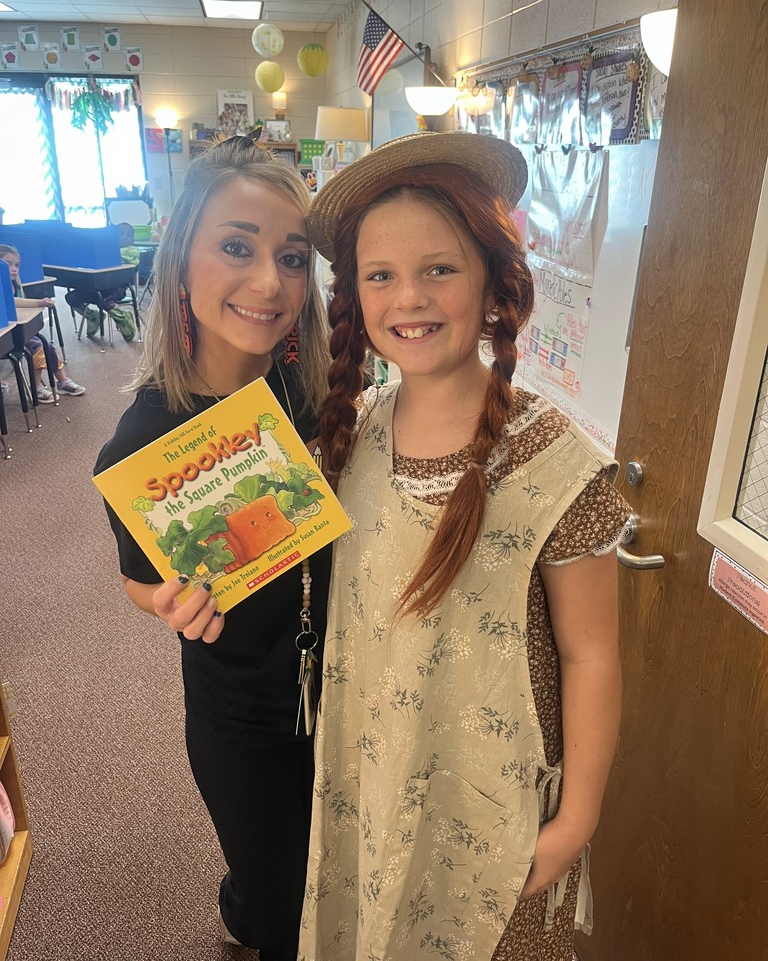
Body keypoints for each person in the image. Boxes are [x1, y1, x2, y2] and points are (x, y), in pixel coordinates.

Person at [299, 131, 632, 961]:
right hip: (376, 784)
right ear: (356, 298)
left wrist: (577, 820)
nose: (409, 297)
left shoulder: (554, 462)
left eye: (439, 269)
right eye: (381, 276)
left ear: (492, 283)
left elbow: (593, 656)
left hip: (496, 811)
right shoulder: (357, 432)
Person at [93, 136, 332, 959]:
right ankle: (253, 903)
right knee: (286, 909)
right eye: (237, 247)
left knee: (332, 864)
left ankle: (240, 895)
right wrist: (163, 600)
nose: (270, 283)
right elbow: (136, 577)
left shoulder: (308, 387)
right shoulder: (144, 440)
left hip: (345, 683)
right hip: (246, 711)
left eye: (292, 258)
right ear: (181, 263)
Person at [0, 244, 86, 401]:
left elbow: (13, 302)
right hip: (6, 336)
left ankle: (62, 381)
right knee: (38, 346)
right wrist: (37, 303)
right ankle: (39, 387)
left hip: (14, 328)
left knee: (44, 344)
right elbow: (11, 303)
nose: (14, 269)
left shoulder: (13, 284)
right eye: (8, 264)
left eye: (17, 265)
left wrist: (38, 302)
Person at [64, 221, 136, 341]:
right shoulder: (102, 248)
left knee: (105, 301)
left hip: (116, 288)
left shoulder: (132, 251)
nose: (124, 237)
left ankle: (123, 319)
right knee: (72, 297)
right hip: (94, 286)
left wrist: (112, 255)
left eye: (128, 235)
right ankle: (93, 317)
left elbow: (134, 262)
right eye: (121, 234)